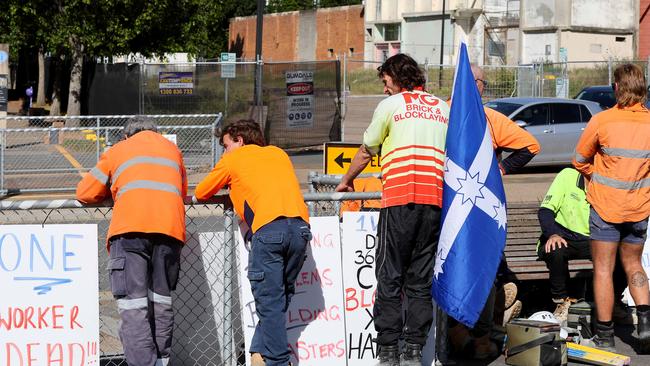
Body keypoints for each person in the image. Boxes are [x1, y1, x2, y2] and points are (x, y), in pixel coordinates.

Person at [335, 53, 449, 366]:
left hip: (399, 199)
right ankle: (413, 350)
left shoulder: (390, 106)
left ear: (397, 78)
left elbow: (366, 150)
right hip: (434, 202)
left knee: (389, 276)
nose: (385, 89)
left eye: (386, 82)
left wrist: (346, 180)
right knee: (420, 280)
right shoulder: (442, 107)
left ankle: (387, 351)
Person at [194, 119, 311, 366]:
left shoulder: (234, 159)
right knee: (281, 297)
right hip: (300, 229)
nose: (224, 151)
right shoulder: (278, 153)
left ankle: (278, 361)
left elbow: (203, 191)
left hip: (269, 230)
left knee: (269, 303)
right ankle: (259, 352)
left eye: (226, 145)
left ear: (240, 140)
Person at [76, 116, 187, 366]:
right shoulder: (173, 150)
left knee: (133, 306)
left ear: (127, 135)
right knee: (161, 303)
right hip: (170, 230)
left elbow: (85, 192)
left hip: (130, 230)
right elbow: (181, 190)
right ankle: (161, 361)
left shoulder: (119, 149)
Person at [447, 64, 541, 359]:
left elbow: (531, 146)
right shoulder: (489, 118)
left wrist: (499, 168)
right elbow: (530, 146)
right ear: (480, 86)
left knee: (453, 267)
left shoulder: (442, 112)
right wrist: (498, 170)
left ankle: (461, 331)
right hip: (480, 211)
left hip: (451, 208)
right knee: (483, 272)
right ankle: (479, 336)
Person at [573, 63, 650, 353]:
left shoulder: (603, 121)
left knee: (603, 269)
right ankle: (644, 325)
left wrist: (597, 174)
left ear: (616, 88)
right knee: (634, 264)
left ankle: (604, 334)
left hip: (606, 207)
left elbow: (579, 159)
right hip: (639, 209)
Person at [537, 168, 631, 325]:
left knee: (623, 255)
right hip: (563, 235)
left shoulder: (610, 181)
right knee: (555, 249)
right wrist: (553, 234)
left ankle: (612, 302)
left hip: (594, 238)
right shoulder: (567, 175)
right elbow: (545, 211)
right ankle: (561, 302)